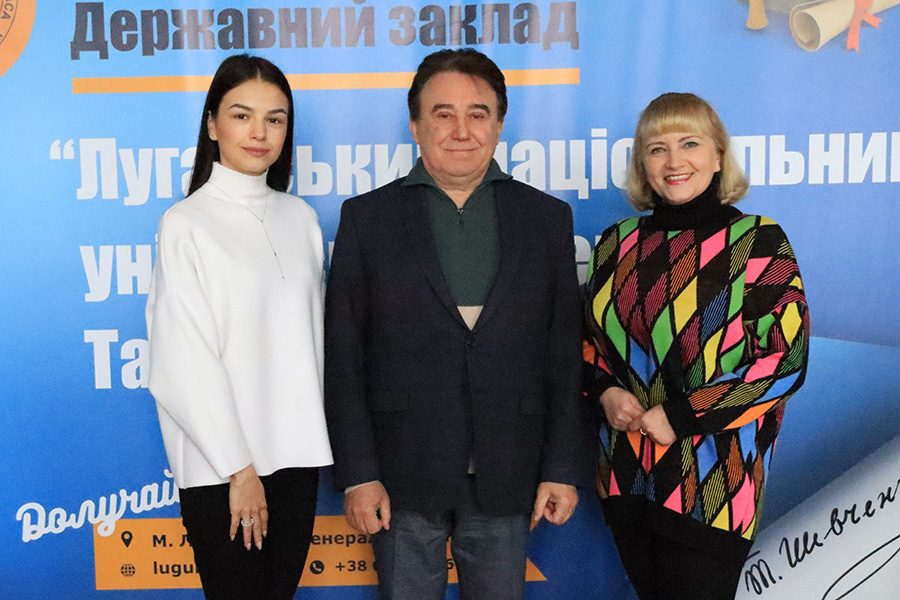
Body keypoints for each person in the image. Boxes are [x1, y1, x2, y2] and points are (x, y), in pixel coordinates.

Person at [324, 48, 590, 600]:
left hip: (509, 470)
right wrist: (359, 473)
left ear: (499, 124)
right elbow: (344, 359)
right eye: (443, 114)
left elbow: (564, 357)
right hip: (399, 476)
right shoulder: (366, 219)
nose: (461, 130)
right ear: (416, 125)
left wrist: (561, 467)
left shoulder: (546, 219)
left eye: (478, 114)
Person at [583, 92, 810, 600]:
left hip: (714, 484)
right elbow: (585, 342)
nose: (674, 161)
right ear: (643, 164)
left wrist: (683, 415)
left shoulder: (757, 241)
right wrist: (605, 392)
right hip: (625, 474)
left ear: (718, 156)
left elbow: (785, 361)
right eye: (657, 148)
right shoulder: (614, 244)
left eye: (689, 143)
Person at [145, 54, 332, 600]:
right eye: (241, 115)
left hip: (296, 460)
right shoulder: (185, 223)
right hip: (221, 471)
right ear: (212, 124)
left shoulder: (302, 219)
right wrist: (239, 470)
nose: (259, 132)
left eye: (275, 119)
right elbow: (182, 359)